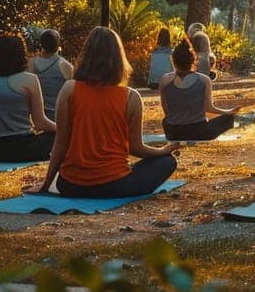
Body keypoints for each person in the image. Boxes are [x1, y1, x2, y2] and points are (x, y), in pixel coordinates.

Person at [36, 27, 179, 198]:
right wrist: (164, 150)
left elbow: (60, 143)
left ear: (86, 56)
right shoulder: (131, 98)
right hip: (115, 186)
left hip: (70, 185)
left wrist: (46, 185)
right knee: (167, 162)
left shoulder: (69, 89)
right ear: (119, 58)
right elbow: (136, 148)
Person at [0, 33, 56, 162]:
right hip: (21, 148)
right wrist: (65, 129)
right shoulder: (29, 79)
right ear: (21, 56)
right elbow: (40, 122)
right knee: (56, 134)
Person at [158, 37, 238, 140]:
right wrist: (228, 111)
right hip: (200, 131)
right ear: (193, 60)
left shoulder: (164, 80)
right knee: (229, 118)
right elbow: (209, 108)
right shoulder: (204, 80)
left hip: (174, 132)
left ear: (173, 60)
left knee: (165, 121)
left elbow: (167, 112)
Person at [32, 29, 74, 118]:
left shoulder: (31, 64)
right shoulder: (66, 66)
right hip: (58, 115)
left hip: (38, 115)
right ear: (58, 44)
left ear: (41, 44)